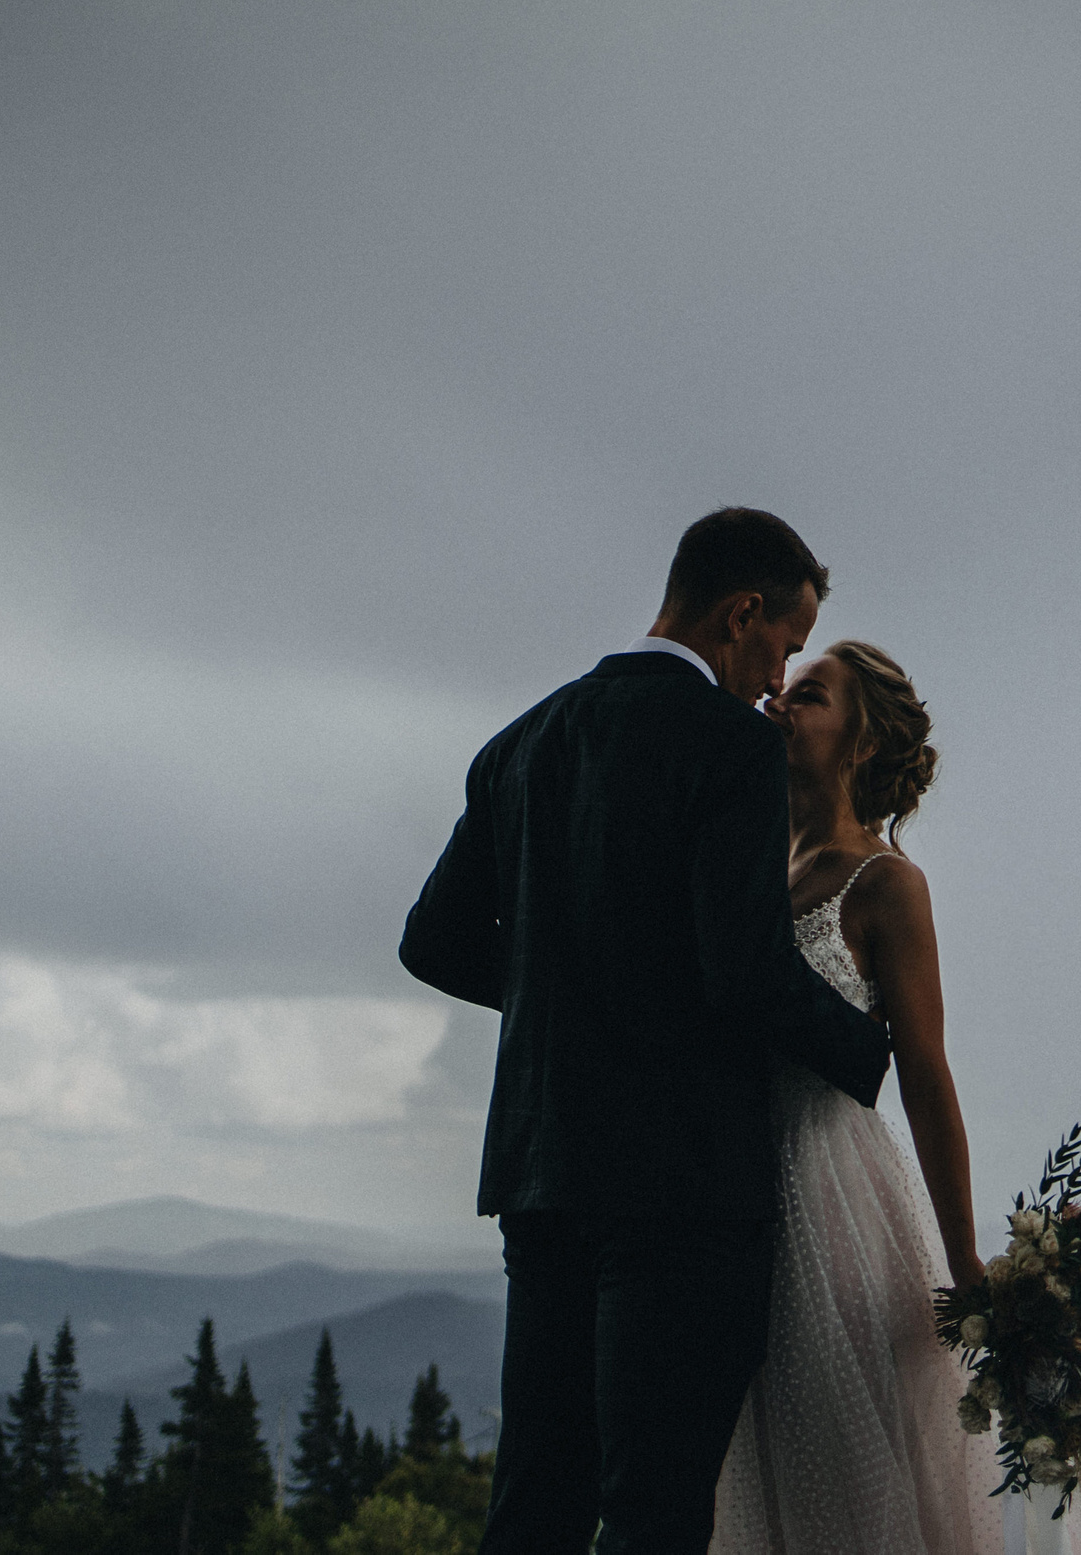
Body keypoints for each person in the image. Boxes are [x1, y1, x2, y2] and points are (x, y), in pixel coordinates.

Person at [400, 507, 893, 1555]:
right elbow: (742, 972)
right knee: (655, 1511)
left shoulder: (520, 743)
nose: (777, 676)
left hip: (543, 1176)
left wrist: (567, 989)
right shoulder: (725, 746)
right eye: (784, 645)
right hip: (683, 1192)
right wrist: (864, 1046)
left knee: (534, 1504)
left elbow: (433, 945)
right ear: (741, 612)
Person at [711, 641, 1081, 1555]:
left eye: (811, 695)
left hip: (833, 1197)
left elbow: (926, 1078)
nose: (780, 702)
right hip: (730, 1198)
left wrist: (964, 1266)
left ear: (863, 741)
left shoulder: (886, 885)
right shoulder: (744, 871)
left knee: (846, 1469)